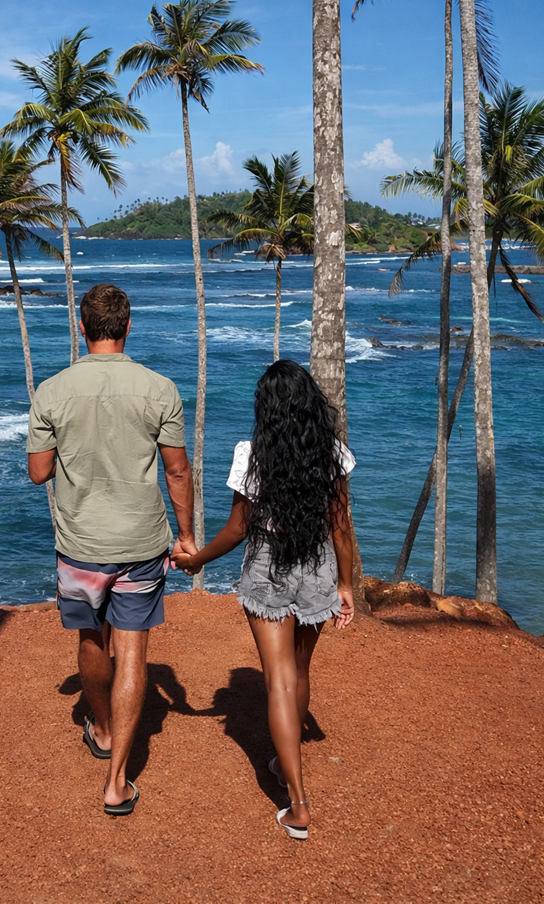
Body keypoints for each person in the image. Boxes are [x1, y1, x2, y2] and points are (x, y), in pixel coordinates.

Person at [27, 283, 196, 816]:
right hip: (142, 542)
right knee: (134, 649)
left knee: (90, 638)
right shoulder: (159, 388)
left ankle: (100, 728)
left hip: (80, 543)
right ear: (127, 327)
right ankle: (117, 781)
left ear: (83, 327)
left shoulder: (51, 391)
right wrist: (186, 533)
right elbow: (177, 469)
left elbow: (38, 473)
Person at [172, 359, 355, 840]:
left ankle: (297, 804)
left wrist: (196, 561)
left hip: (268, 570)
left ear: (266, 409)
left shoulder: (252, 455)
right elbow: (341, 529)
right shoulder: (333, 453)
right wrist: (347, 587)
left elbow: (238, 529)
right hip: (318, 569)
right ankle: (283, 761)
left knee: (276, 682)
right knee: (299, 674)